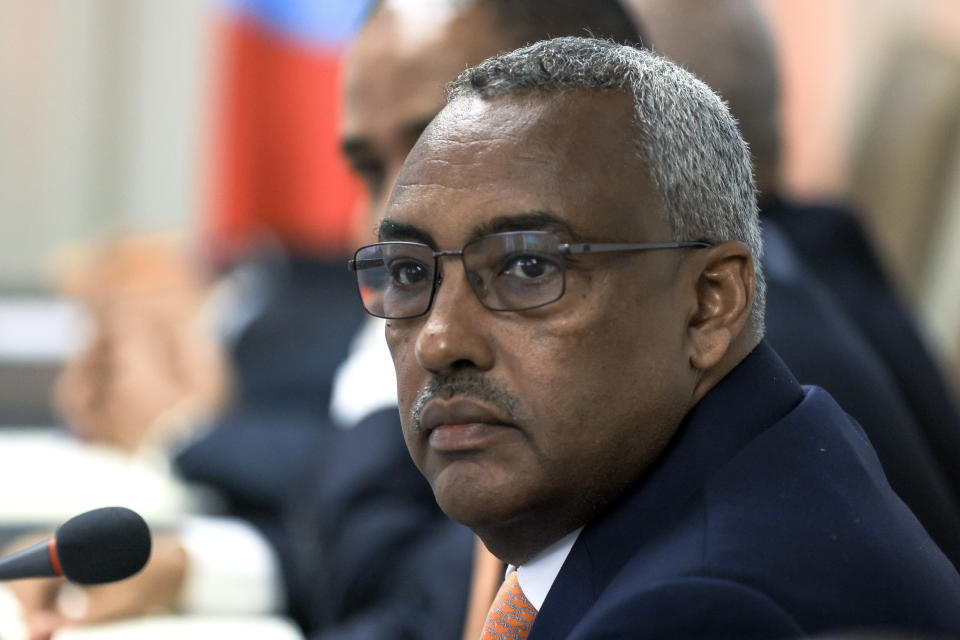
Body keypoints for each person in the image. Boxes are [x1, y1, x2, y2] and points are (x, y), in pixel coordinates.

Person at [350, 37, 960, 637]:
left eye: (528, 267)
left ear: (709, 304)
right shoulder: (764, 453)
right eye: (409, 272)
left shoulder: (702, 611)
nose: (438, 342)